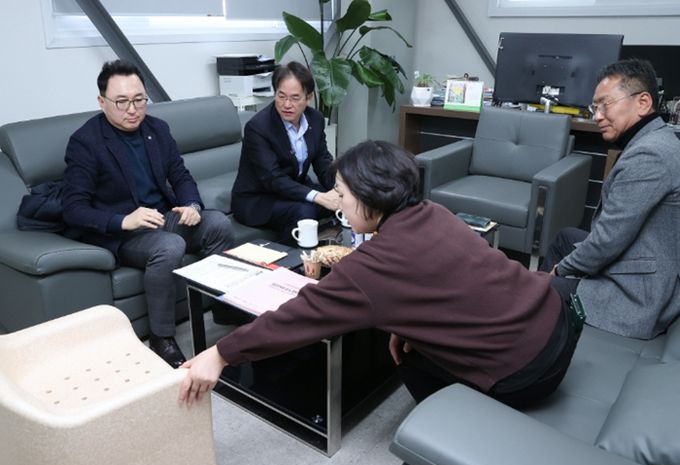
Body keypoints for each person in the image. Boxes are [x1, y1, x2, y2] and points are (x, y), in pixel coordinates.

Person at [178, 141, 580, 407]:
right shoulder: (432, 212)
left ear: (370, 196)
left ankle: (449, 432)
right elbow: (450, 284)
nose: (338, 203)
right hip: (553, 316)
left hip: (527, 372)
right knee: (406, 344)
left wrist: (220, 353)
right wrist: (409, 326)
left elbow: (297, 317)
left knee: (408, 361)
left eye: (343, 193)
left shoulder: (372, 266)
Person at [62, 60, 234, 368]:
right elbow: (73, 208)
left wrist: (192, 206)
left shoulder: (157, 129)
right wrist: (124, 221)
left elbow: (180, 175)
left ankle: (222, 306)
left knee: (218, 223)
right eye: (122, 102)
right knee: (170, 246)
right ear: (102, 102)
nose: (132, 110)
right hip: (124, 233)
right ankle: (161, 338)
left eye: (139, 100)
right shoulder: (85, 142)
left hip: (163, 217)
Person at [541, 59, 680, 339]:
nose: (597, 116)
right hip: (644, 257)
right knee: (565, 238)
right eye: (595, 107)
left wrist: (559, 271)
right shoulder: (659, 139)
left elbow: (607, 241)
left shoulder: (649, 155)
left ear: (643, 102)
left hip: (638, 295)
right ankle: (546, 315)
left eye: (605, 105)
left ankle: (540, 314)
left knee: (537, 288)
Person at [231, 61, 339, 237]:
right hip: (259, 199)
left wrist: (338, 189)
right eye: (281, 96)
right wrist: (319, 197)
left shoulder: (315, 119)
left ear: (309, 97)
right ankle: (295, 255)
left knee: (345, 200)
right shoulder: (258, 127)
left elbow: (323, 162)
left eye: (295, 98)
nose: (287, 104)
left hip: (293, 190)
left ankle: (339, 249)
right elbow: (273, 178)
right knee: (305, 212)